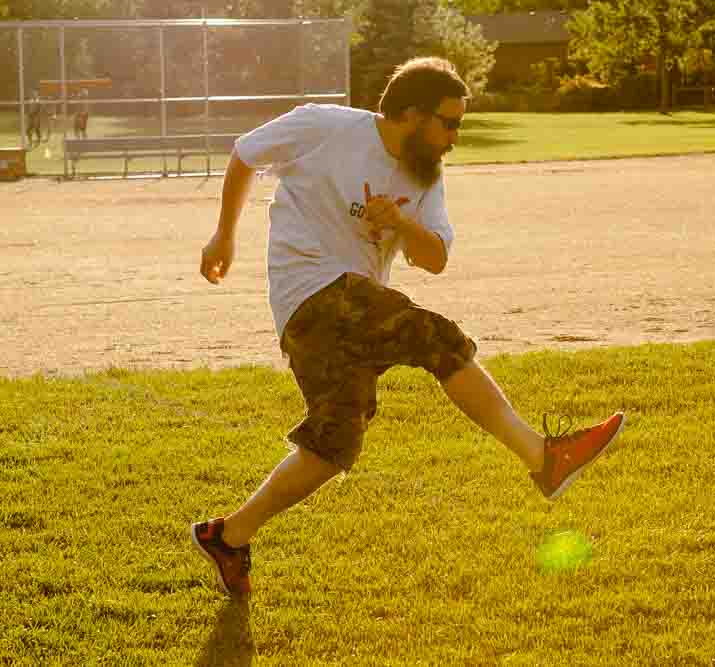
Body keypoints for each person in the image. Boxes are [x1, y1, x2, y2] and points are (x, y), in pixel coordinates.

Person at [191, 57, 626, 596]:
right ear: (412, 114)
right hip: (309, 292)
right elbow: (245, 152)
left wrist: (399, 222)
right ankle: (544, 458)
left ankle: (229, 535)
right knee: (432, 335)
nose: (453, 137)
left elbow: (436, 257)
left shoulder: (424, 177)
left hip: (347, 308)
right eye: (449, 123)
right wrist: (224, 236)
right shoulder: (325, 127)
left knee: (333, 445)